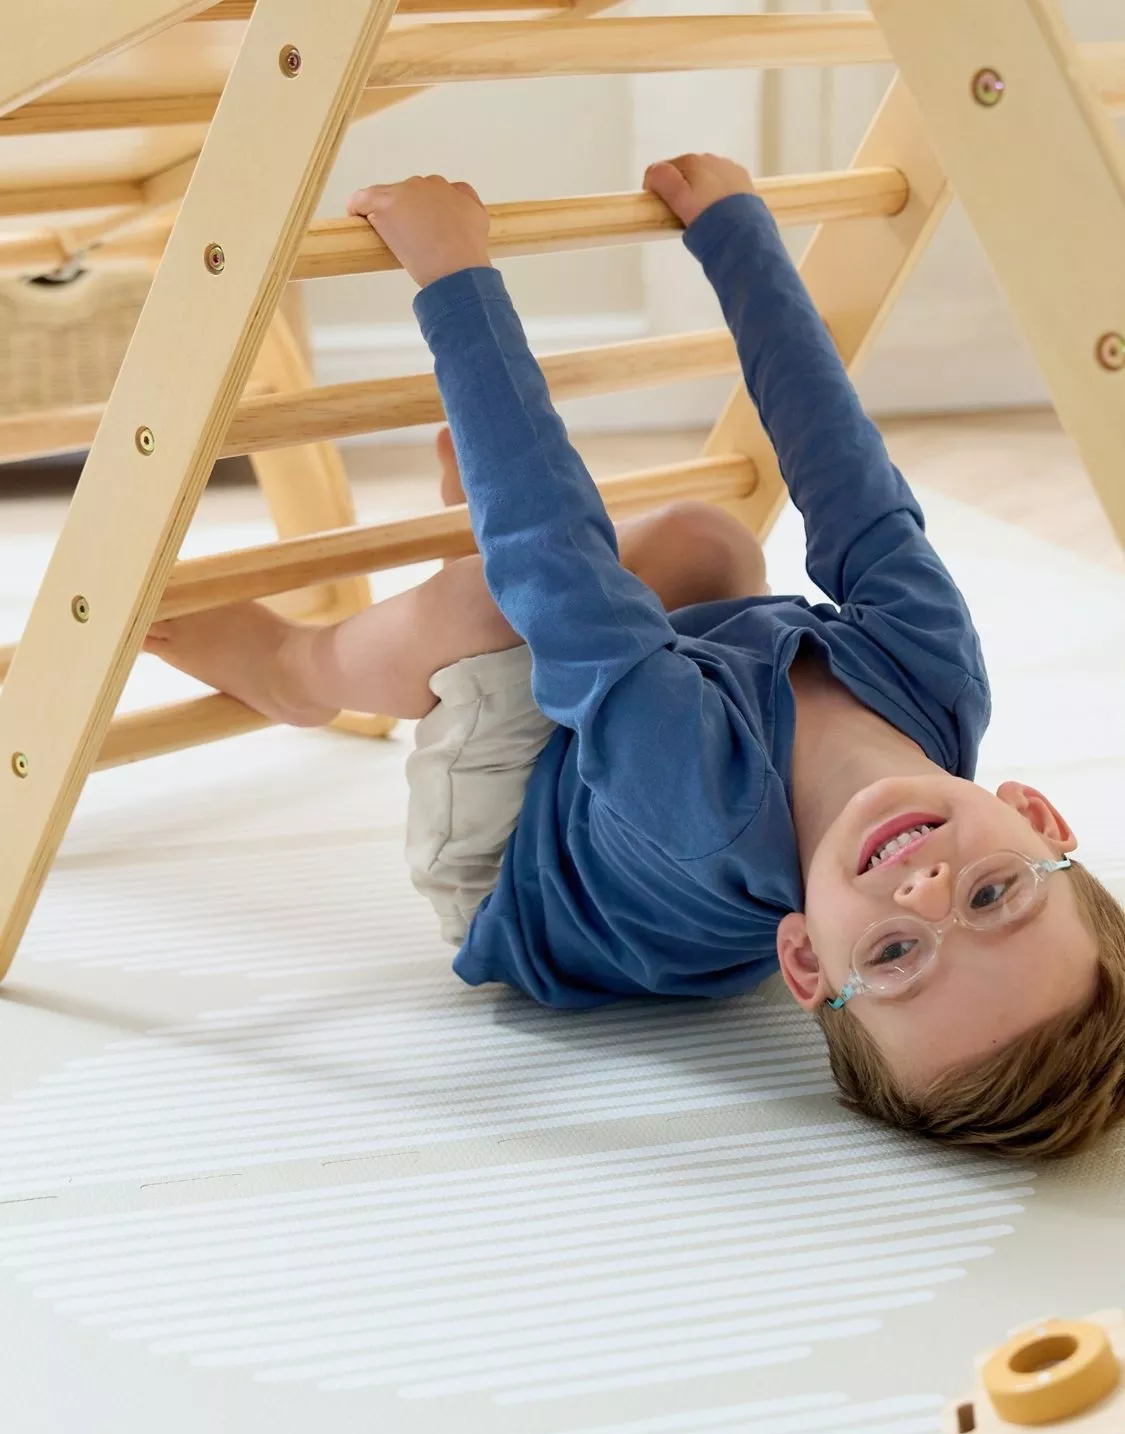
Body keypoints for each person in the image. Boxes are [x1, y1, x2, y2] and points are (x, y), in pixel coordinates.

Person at [148, 154, 1125, 1158]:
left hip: (518, 854)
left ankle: (302, 672)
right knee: (710, 543)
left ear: (801, 955)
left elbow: (558, 565)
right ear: (1039, 817)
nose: (924, 892)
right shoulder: (936, 675)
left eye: (892, 952)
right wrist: (737, 236)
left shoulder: (701, 806)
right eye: (994, 896)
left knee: (509, 592)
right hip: (638, 751)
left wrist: (451, 274)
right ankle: (471, 533)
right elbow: (848, 473)